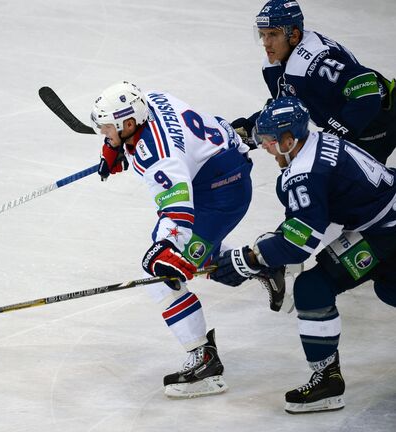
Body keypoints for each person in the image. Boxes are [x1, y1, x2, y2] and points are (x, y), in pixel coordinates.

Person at [89, 81, 285, 399]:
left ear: (127, 123)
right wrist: (116, 147)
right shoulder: (148, 101)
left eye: (108, 128)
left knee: (159, 275)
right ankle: (257, 263)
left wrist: (165, 250)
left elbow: (179, 212)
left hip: (220, 193)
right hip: (220, 169)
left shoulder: (159, 158)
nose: (103, 133)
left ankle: (204, 362)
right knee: (184, 254)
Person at [211, 96, 396, 413]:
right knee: (388, 287)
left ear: (288, 139)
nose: (266, 147)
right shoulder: (312, 142)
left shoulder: (306, 173)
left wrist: (249, 259)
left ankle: (327, 381)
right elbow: (299, 227)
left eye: (270, 141)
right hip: (381, 221)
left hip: (384, 231)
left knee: (314, 287)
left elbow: (301, 243)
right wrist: (265, 252)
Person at [232, 0, 396, 164]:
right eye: (263, 34)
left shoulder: (315, 61)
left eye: (273, 34)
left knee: (348, 185)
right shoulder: (274, 65)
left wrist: (332, 139)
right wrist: (250, 130)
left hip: (375, 121)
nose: (266, 43)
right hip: (357, 120)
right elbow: (285, 107)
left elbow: (367, 88)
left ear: (294, 36)